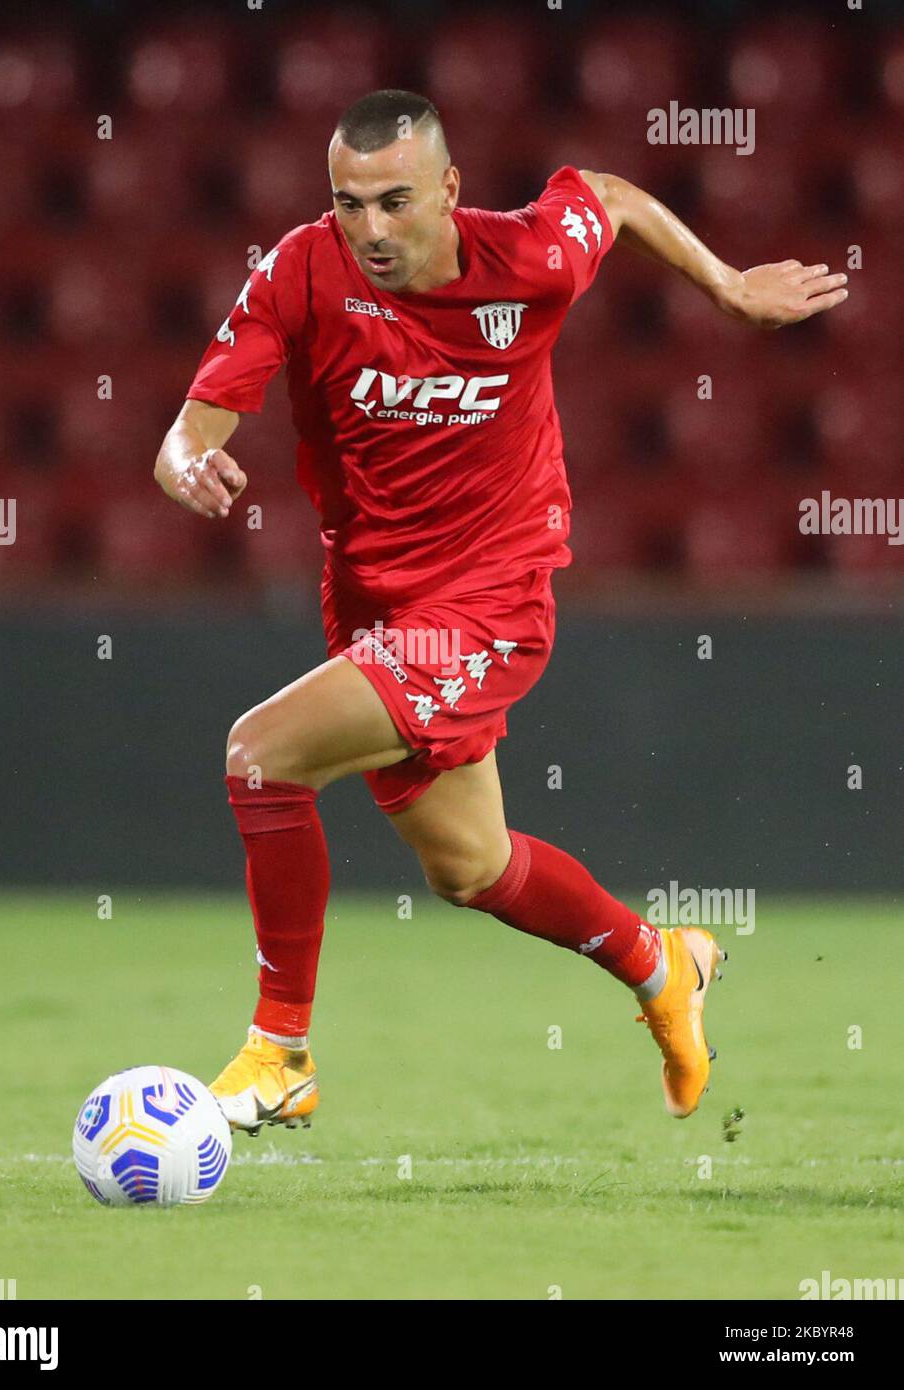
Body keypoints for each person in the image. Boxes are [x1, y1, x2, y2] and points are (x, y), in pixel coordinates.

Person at [154, 89, 848, 1135]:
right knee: (470, 866)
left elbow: (608, 198)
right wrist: (187, 464)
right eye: (349, 204)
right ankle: (662, 965)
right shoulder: (300, 269)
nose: (371, 229)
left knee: (260, 755)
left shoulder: (529, 256)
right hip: (374, 604)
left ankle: (278, 1052)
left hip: (493, 599)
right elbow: (181, 434)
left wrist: (724, 287)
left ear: (449, 189)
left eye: (395, 201)